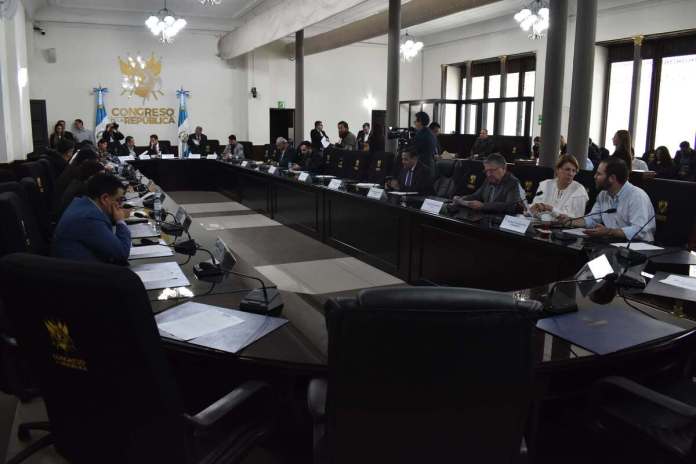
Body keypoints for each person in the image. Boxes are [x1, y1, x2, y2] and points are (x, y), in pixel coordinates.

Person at [558, 157, 655, 242]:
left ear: (612, 178)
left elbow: (639, 231)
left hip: (639, 250)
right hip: (614, 244)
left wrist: (608, 231)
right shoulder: (603, 195)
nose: (594, 177)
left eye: (599, 174)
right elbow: (592, 219)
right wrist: (570, 221)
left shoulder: (637, 196)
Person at [52, 173, 132, 264]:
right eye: (119, 200)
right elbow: (122, 254)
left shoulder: (82, 203)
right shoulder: (89, 218)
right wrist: (120, 221)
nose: (120, 205)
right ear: (104, 198)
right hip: (81, 274)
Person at [452, 153, 523, 214]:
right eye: (486, 171)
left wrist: (483, 206)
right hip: (486, 218)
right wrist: (462, 199)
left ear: (504, 168)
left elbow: (510, 207)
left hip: (501, 223)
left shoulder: (513, 182)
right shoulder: (488, 179)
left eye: (492, 170)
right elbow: (477, 195)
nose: (488, 174)